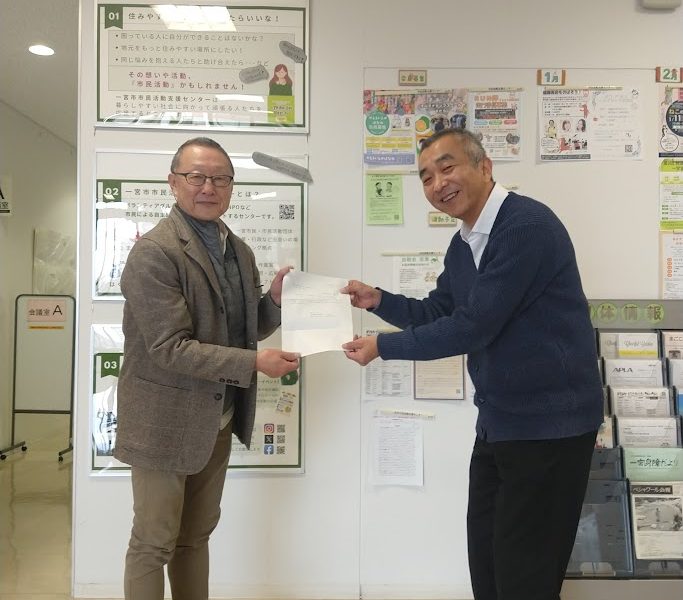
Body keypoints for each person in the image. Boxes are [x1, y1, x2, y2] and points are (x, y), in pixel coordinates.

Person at [341, 128, 603, 600]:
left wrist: (383, 347)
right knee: (488, 571)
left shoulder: (525, 226)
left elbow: (474, 327)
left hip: (550, 428)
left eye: (447, 168)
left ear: (484, 167)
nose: (437, 183)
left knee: (525, 581)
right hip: (501, 425)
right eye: (426, 177)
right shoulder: (464, 242)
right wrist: (379, 300)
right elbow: (441, 311)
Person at [114, 137, 300, 600]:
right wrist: (254, 363)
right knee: (154, 541)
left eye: (220, 178)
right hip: (163, 422)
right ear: (173, 182)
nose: (208, 187)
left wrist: (275, 302)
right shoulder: (154, 252)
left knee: (195, 537)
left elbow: (244, 328)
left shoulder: (239, 251)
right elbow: (170, 348)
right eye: (196, 176)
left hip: (216, 417)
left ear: (231, 186)